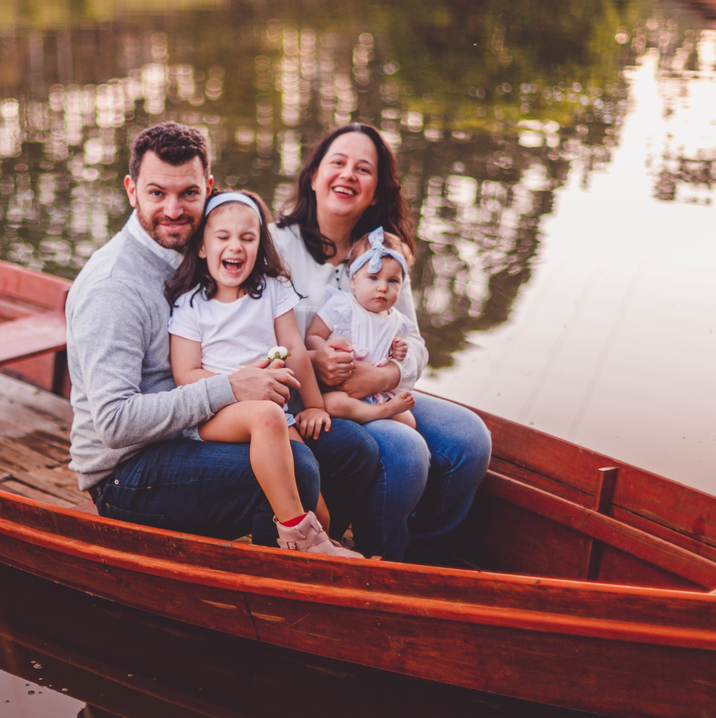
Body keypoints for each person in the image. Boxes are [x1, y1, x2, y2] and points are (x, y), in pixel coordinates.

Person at [65, 122, 377, 550]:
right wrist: (229, 387)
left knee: (352, 450)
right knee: (299, 467)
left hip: (194, 426)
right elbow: (115, 424)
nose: (174, 209)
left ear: (208, 188)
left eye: (189, 194)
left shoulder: (198, 250)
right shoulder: (114, 287)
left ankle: (321, 558)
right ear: (131, 190)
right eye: (157, 193)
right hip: (128, 471)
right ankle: (277, 594)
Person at [272, 122, 493, 563]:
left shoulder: (382, 254)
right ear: (313, 176)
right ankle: (378, 562)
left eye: (363, 169)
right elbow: (251, 333)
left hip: (377, 388)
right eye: (337, 163)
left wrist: (385, 372)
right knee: (407, 449)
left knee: (471, 438)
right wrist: (314, 359)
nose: (348, 174)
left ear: (376, 192)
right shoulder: (274, 246)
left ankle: (420, 557)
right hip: (308, 402)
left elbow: (414, 341)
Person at [165, 191, 360, 557]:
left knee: (318, 506)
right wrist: (235, 385)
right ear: (203, 247)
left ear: (260, 245)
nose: (235, 246)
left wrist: (315, 405)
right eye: (222, 237)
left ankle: (319, 550)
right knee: (267, 417)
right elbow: (185, 375)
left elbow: (296, 349)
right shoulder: (190, 306)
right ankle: (297, 538)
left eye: (247, 237)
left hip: (273, 412)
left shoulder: (272, 290)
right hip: (213, 413)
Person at [306, 226, 418, 428]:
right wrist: (323, 351)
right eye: (373, 278)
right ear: (354, 281)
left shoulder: (397, 320)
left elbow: (395, 356)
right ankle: (379, 413)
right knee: (332, 403)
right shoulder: (342, 306)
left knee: (409, 422)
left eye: (393, 281)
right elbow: (313, 335)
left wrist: (398, 351)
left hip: (377, 392)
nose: (382, 287)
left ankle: (378, 410)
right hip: (340, 389)